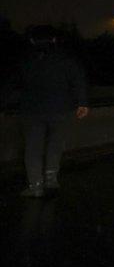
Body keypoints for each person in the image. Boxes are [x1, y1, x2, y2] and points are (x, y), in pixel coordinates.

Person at [12, 26, 89, 198]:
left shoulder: (25, 59)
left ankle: (35, 185)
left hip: (32, 111)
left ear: (31, 40)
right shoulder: (66, 59)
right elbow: (78, 80)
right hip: (60, 110)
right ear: (54, 40)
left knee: (33, 148)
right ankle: (51, 178)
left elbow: (13, 85)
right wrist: (82, 103)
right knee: (55, 144)